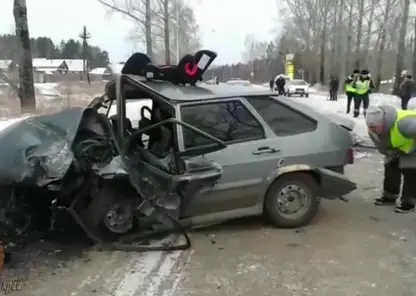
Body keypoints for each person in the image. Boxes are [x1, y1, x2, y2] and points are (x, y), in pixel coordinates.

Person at [365, 105, 416, 213]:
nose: (372, 130)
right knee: (390, 168)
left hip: (412, 148)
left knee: (411, 173)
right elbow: (381, 146)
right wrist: (389, 153)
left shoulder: (405, 124)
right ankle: (390, 196)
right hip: (396, 149)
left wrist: (412, 149)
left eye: (375, 127)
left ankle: (409, 202)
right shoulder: (372, 130)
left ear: (383, 123)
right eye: (370, 127)